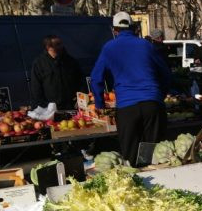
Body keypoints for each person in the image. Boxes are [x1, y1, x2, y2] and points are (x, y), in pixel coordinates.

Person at [91, 12, 171, 165]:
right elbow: (166, 74)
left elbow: (96, 78)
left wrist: (100, 103)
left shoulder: (109, 48)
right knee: (153, 154)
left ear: (114, 30)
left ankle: (136, 179)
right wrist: (159, 96)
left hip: (127, 108)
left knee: (130, 155)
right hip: (151, 105)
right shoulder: (146, 45)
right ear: (133, 28)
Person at [30, 35, 84, 109]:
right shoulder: (39, 64)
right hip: (51, 108)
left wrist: (80, 99)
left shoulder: (70, 61)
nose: (61, 46)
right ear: (48, 47)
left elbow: (80, 81)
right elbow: (36, 88)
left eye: (61, 43)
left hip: (71, 106)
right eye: (57, 44)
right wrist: (45, 107)